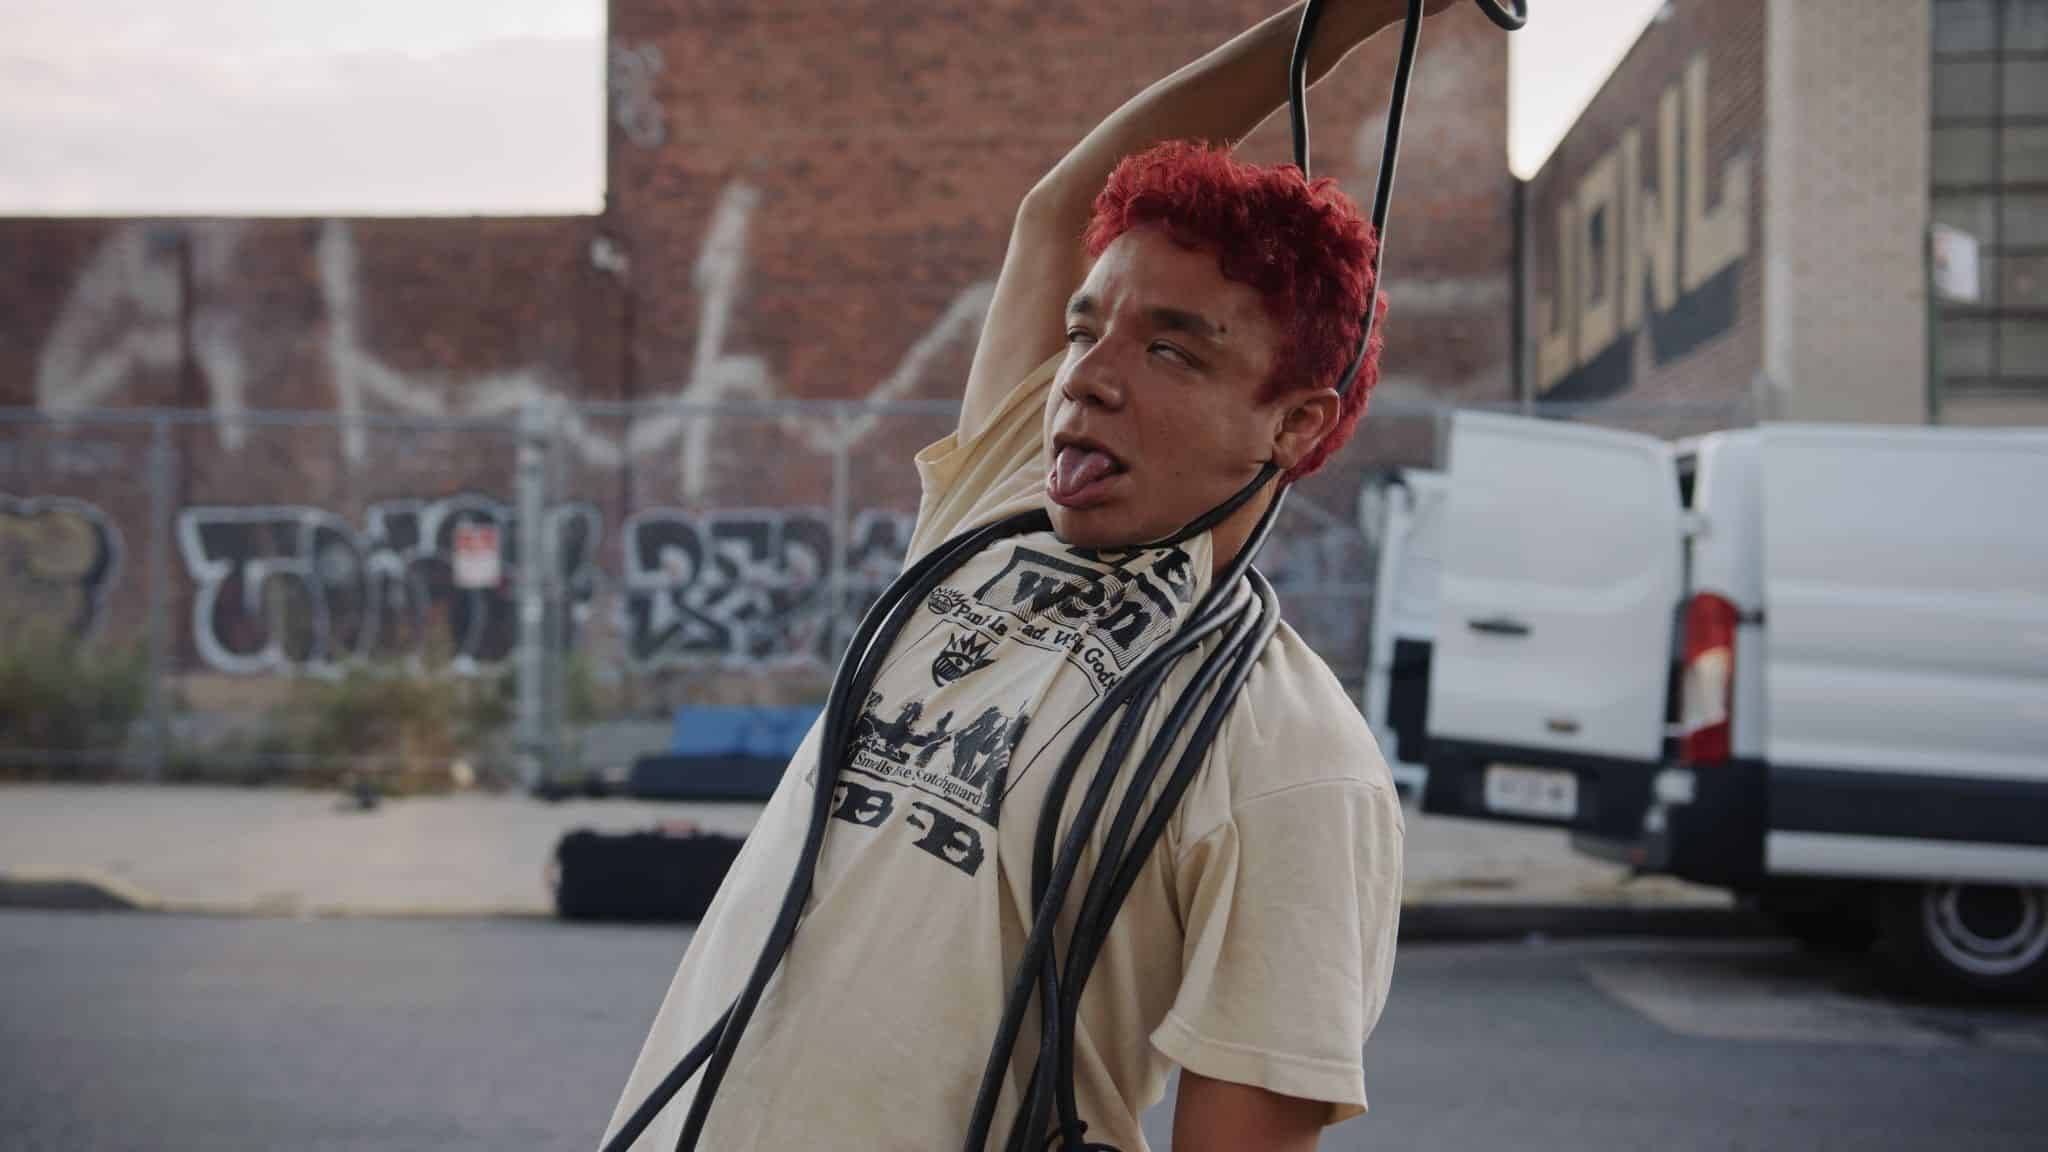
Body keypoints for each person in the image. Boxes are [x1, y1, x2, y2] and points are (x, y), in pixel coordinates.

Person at [602, 2, 1453, 1147]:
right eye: (1083, 330)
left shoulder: (1294, 765)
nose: (1085, 378)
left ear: (1294, 424)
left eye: (1169, 348)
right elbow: (1061, 205)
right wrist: (1335, 21)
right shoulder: (993, 511)